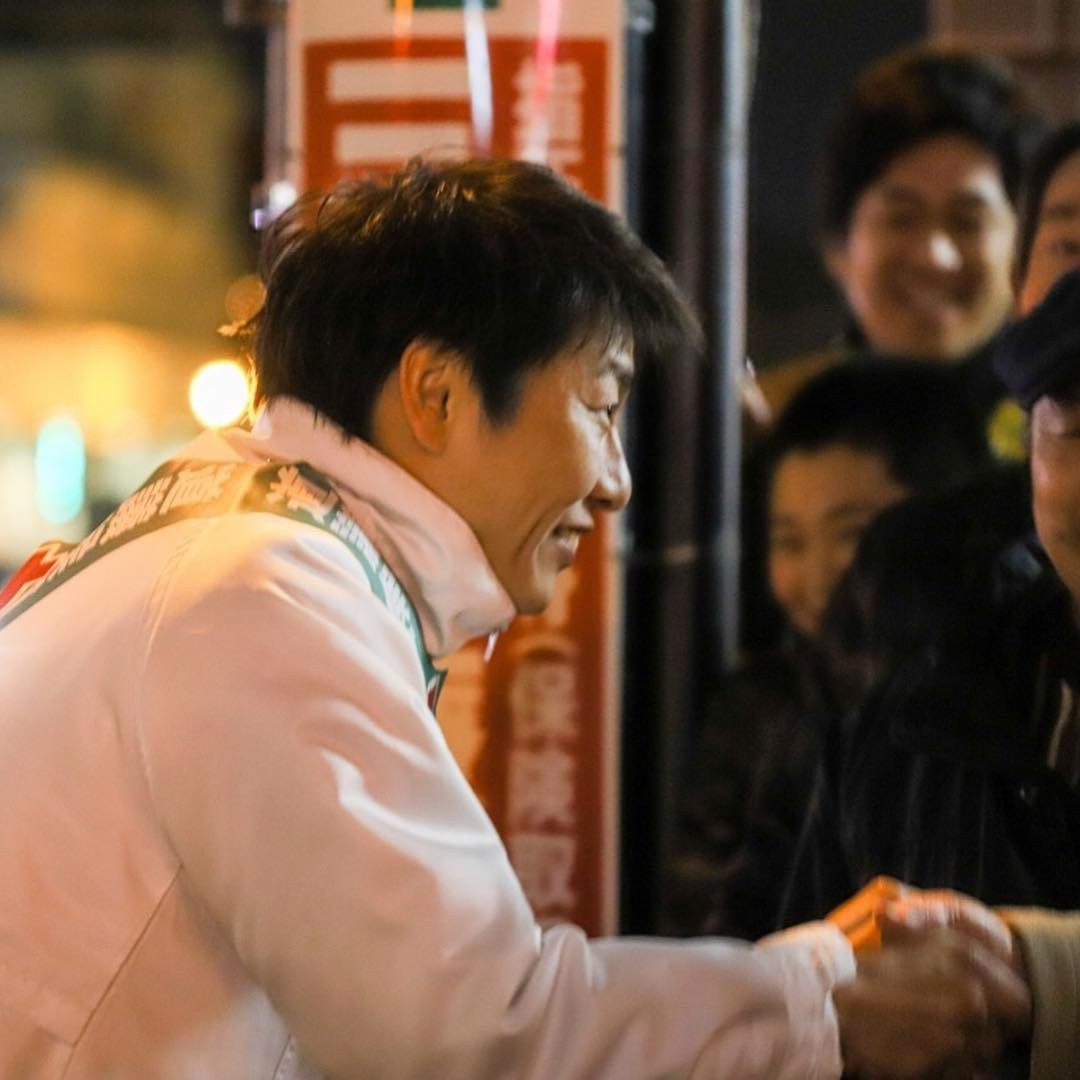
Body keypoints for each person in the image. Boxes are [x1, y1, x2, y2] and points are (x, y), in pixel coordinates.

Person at [0, 158, 1027, 1078]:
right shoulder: (269, 593)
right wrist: (822, 1000)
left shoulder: (227, 536)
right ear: (437, 394)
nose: (616, 482)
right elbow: (464, 1034)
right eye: (601, 406)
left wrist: (808, 980)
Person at [666, 361, 994, 941]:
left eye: (852, 535)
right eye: (789, 541)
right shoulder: (759, 709)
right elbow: (703, 915)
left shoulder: (1003, 692)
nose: (816, 575)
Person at [756, 44, 1045, 434]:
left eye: (968, 221)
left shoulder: (1060, 430)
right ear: (838, 246)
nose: (936, 256)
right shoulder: (769, 431)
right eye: (902, 219)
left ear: (1022, 251)